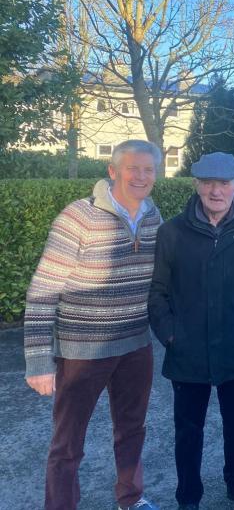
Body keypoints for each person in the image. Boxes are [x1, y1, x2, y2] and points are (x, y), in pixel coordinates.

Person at [23, 139, 162, 510]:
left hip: (136, 345)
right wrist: (38, 361)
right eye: (133, 168)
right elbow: (42, 290)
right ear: (113, 171)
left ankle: (130, 499)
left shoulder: (153, 216)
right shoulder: (78, 217)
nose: (141, 176)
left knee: (132, 430)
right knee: (67, 443)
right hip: (82, 352)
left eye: (149, 169)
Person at [148, 152, 234, 510]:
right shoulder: (172, 232)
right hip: (187, 350)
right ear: (196, 185)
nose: (215, 190)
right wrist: (171, 336)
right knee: (188, 430)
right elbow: (157, 293)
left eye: (224, 183)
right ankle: (188, 498)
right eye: (208, 182)